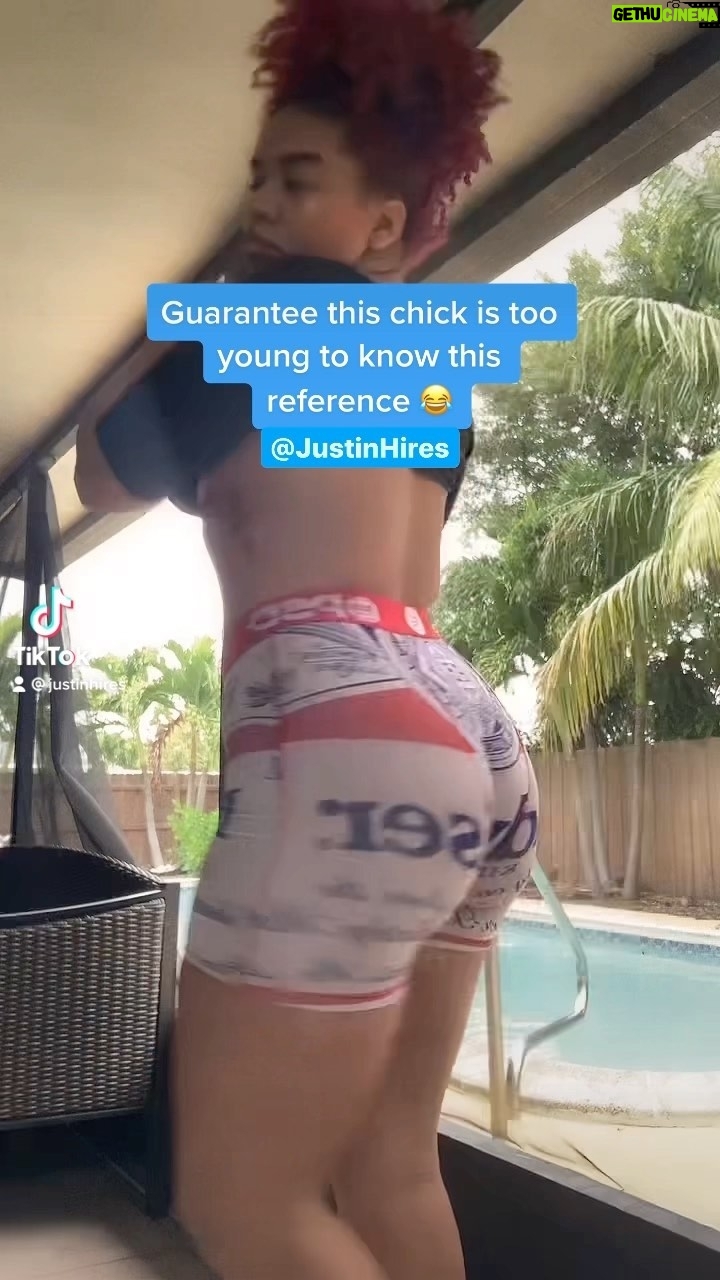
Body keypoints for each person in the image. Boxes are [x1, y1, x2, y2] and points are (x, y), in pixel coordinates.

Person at [74, 2, 538, 1277]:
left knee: (242, 1200)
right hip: (465, 730)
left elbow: (100, 474)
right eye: (258, 177)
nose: (262, 204)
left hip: (337, 725)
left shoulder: (248, 322)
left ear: (384, 223)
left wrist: (173, 320)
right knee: (390, 1157)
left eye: (298, 177)